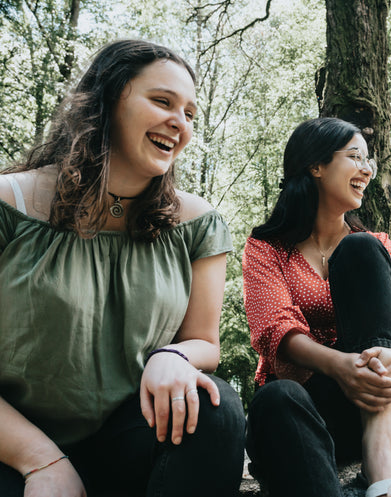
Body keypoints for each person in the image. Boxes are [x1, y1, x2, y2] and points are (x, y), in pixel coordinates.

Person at [0, 40, 245, 497]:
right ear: (107, 101)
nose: (180, 123)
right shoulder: (8, 204)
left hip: (127, 441)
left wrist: (174, 356)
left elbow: (204, 343)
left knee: (217, 404)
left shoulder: (198, 224)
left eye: (190, 113)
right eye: (162, 101)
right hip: (12, 447)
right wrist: (41, 462)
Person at [242, 117, 391, 497]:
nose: (366, 170)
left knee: (362, 248)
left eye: (370, 161)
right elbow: (274, 328)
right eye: (354, 157)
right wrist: (342, 367)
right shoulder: (266, 248)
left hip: (380, 398)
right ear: (315, 165)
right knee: (276, 397)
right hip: (303, 410)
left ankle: (379, 461)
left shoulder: (375, 243)